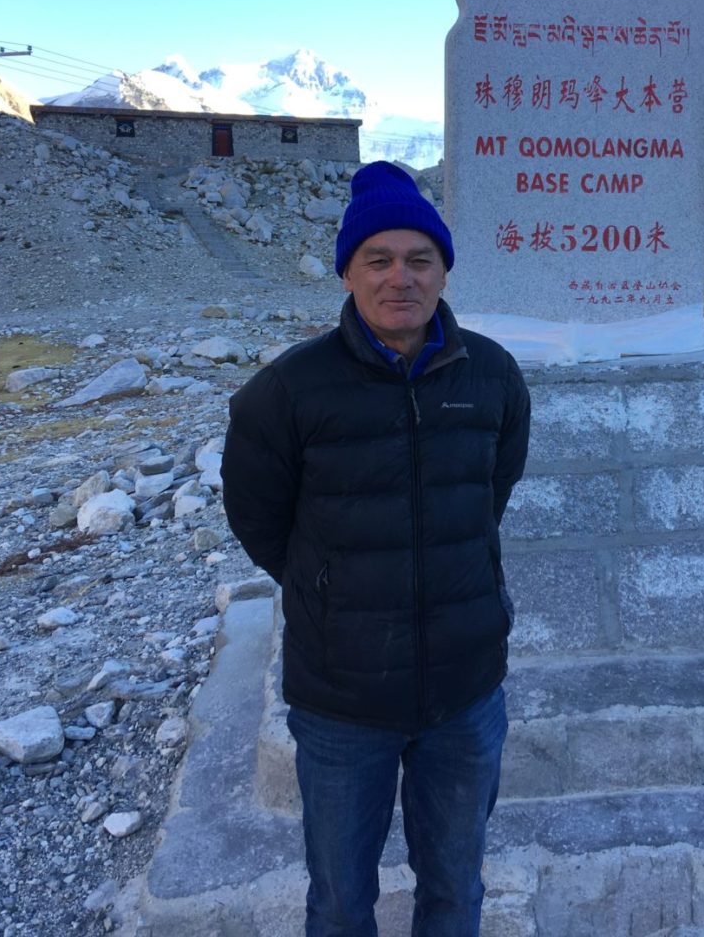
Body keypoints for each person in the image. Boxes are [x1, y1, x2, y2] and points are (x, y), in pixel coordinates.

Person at [221, 160, 531, 937]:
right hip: (341, 701)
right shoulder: (286, 392)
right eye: (379, 259)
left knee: (456, 888)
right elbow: (259, 519)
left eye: (420, 259)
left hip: (465, 691)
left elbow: (491, 494)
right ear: (348, 273)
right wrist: (327, 587)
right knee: (338, 900)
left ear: (443, 271)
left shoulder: (493, 376)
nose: (402, 277)